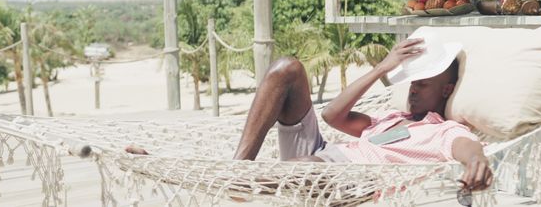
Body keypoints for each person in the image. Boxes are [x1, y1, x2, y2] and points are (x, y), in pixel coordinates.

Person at [127, 32, 492, 191]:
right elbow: (333, 115)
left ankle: (177, 169)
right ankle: (237, 170)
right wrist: (382, 68)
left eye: (422, 84)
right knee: (286, 68)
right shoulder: (392, 119)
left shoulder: (441, 130)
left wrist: (477, 160)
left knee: (298, 172)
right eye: (411, 82)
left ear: (445, 90)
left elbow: (467, 147)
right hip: (322, 156)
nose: (412, 90)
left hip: (349, 181)